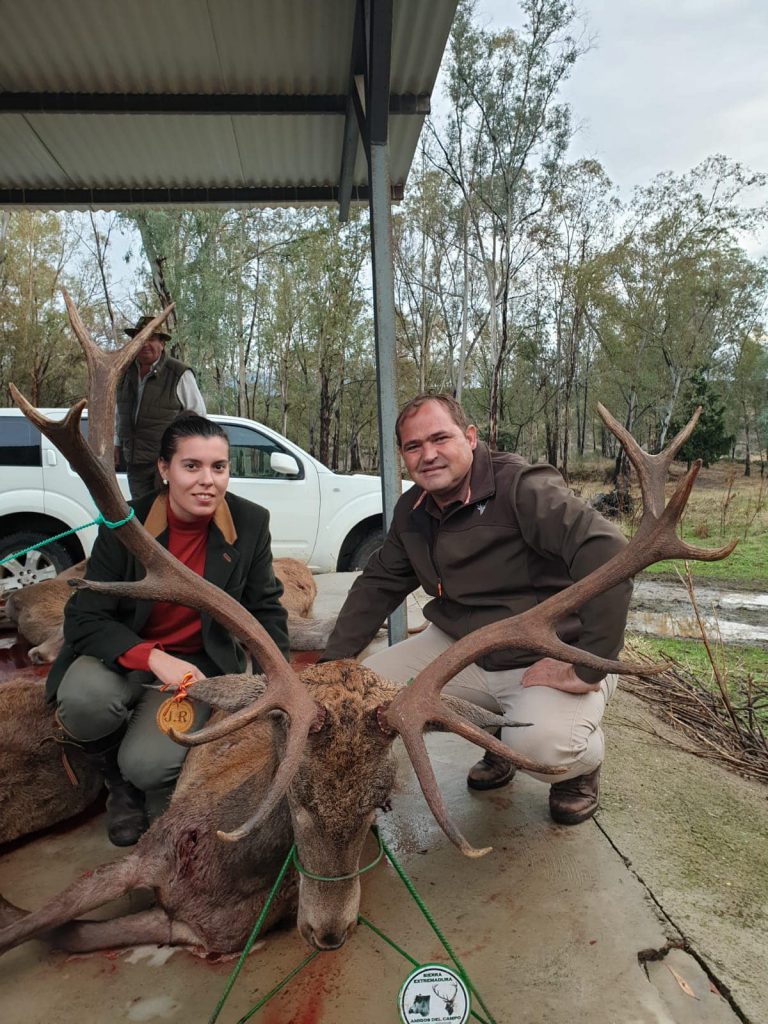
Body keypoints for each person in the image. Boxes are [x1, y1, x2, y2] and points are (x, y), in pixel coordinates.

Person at [321, 394, 632, 825]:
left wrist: (588, 666)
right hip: (459, 646)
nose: (428, 455)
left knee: (545, 749)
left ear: (469, 437)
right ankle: (497, 736)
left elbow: (608, 554)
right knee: (358, 703)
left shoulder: (523, 488)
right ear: (403, 456)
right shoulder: (413, 511)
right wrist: (330, 667)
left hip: (547, 653)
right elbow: (378, 584)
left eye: (440, 438)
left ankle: (580, 770)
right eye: (414, 447)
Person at [47, 414, 290, 847]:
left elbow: (266, 607)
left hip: (197, 664)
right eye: (191, 466)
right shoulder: (125, 523)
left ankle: (133, 778)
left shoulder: (251, 523)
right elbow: (84, 617)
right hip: (125, 655)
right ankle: (116, 789)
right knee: (85, 701)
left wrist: (282, 678)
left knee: (148, 765)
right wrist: (153, 659)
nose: (208, 481)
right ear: (164, 470)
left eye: (219, 467)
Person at [116, 315, 207, 500]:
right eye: (140, 339)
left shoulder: (179, 373)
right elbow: (119, 413)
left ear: (162, 343)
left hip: (167, 464)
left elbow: (198, 417)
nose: (144, 344)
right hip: (135, 463)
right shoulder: (123, 373)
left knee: (166, 515)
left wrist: (191, 457)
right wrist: (116, 444)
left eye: (151, 338)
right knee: (141, 515)